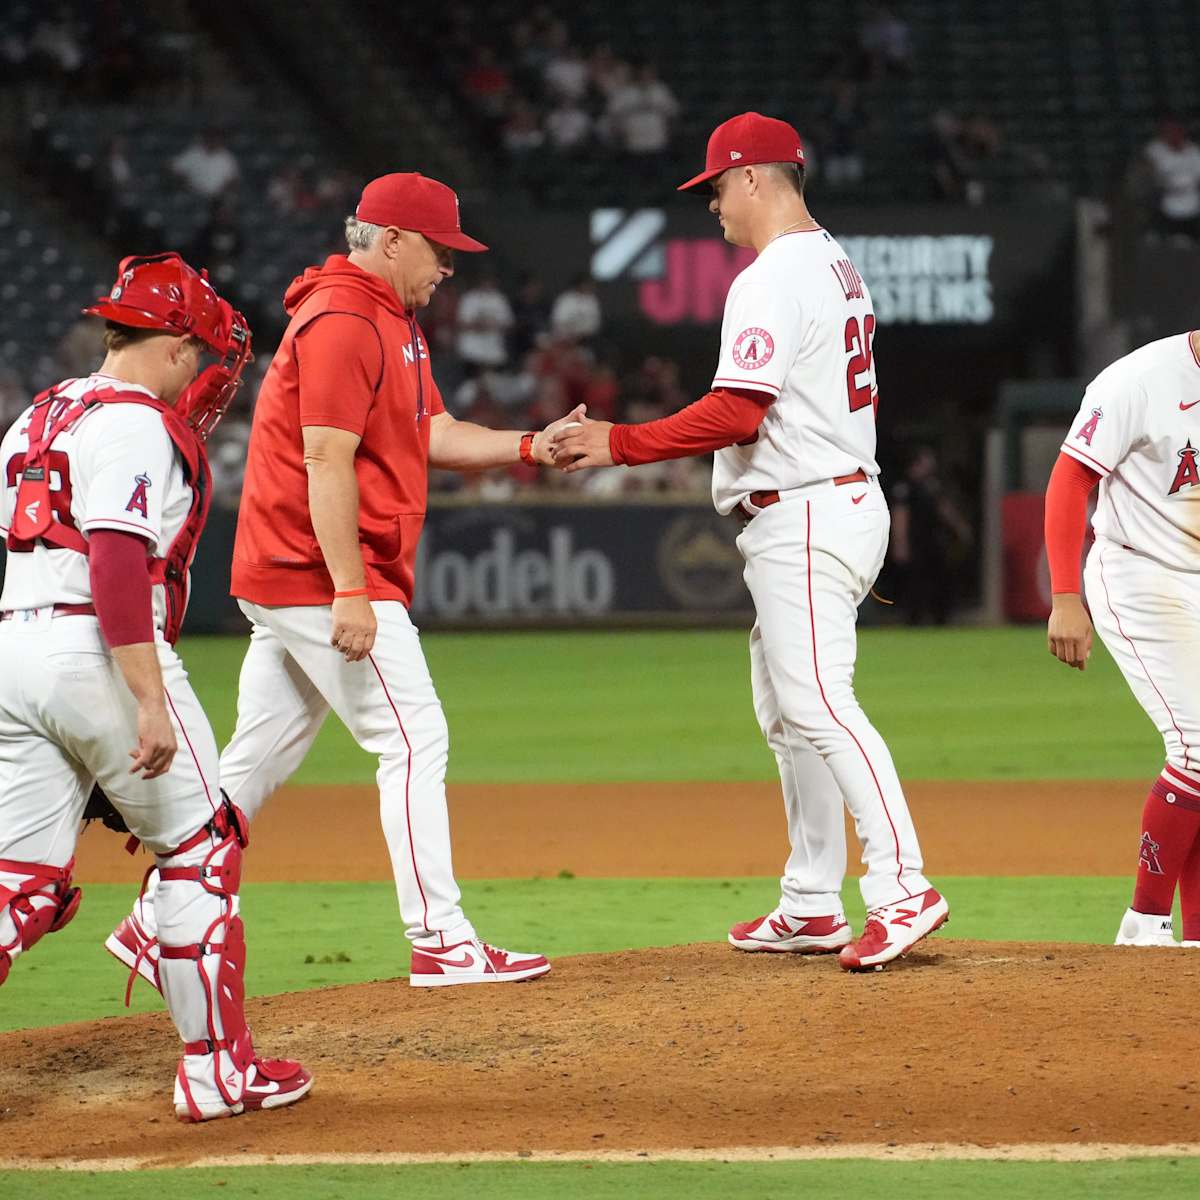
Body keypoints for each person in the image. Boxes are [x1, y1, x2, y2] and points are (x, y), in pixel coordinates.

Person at [107, 173, 581, 991]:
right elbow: (324, 455)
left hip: (293, 572)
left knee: (251, 761)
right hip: (311, 572)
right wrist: (350, 589)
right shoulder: (341, 317)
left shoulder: (387, 318)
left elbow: (433, 431)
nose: (449, 268)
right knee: (412, 736)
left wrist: (532, 446)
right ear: (393, 239)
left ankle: (159, 923)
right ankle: (440, 936)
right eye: (440, 249)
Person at [554, 112, 948, 971]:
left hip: (806, 508)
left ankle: (903, 885)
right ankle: (812, 901)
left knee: (817, 702)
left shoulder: (772, 276)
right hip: (824, 502)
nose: (714, 207)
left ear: (757, 179)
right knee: (789, 713)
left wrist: (618, 442)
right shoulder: (836, 264)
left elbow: (738, 410)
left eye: (719, 187)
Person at [0, 253, 312, 1120]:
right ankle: (219, 1074)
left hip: (13, 648)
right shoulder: (136, 423)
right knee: (203, 850)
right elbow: (113, 560)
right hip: (95, 650)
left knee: (18, 879)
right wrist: (142, 699)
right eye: (204, 352)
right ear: (175, 343)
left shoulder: (38, 411)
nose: (210, 373)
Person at [1045, 331, 1200, 948]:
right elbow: (1068, 481)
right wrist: (1063, 597)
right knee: (1196, 744)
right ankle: (1143, 923)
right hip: (1139, 574)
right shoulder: (1139, 380)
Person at [171, 128, 240, 200]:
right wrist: (182, 181)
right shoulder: (193, 153)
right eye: (211, 138)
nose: (214, 141)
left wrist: (223, 192)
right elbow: (170, 167)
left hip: (216, 199)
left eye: (217, 139)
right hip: (191, 195)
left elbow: (234, 180)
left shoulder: (227, 158)